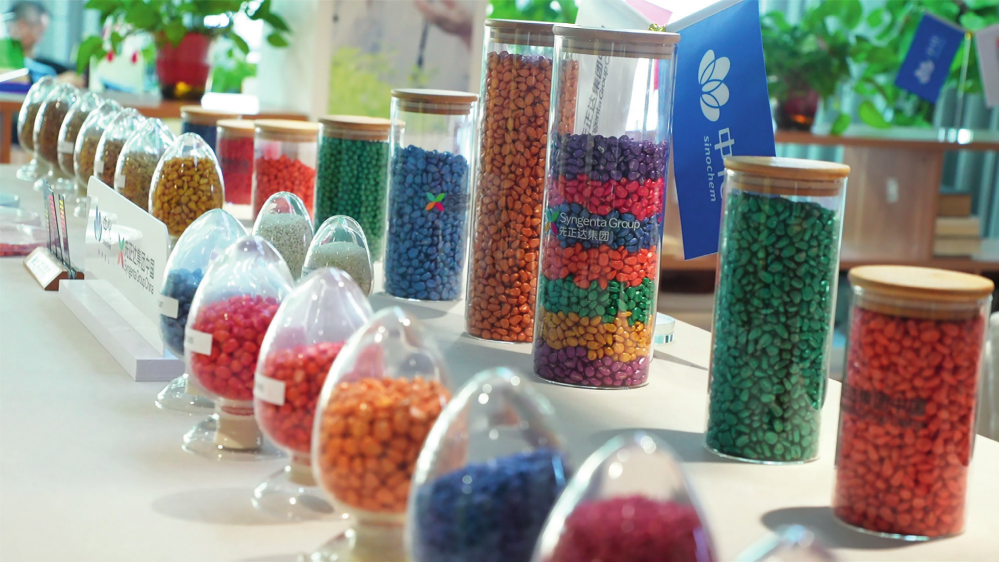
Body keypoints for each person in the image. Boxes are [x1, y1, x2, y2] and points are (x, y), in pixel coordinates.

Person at [2, 1, 80, 84]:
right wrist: (54, 82)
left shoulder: (34, 64)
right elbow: (20, 79)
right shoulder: (5, 50)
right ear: (22, 26)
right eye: (40, 32)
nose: (40, 40)